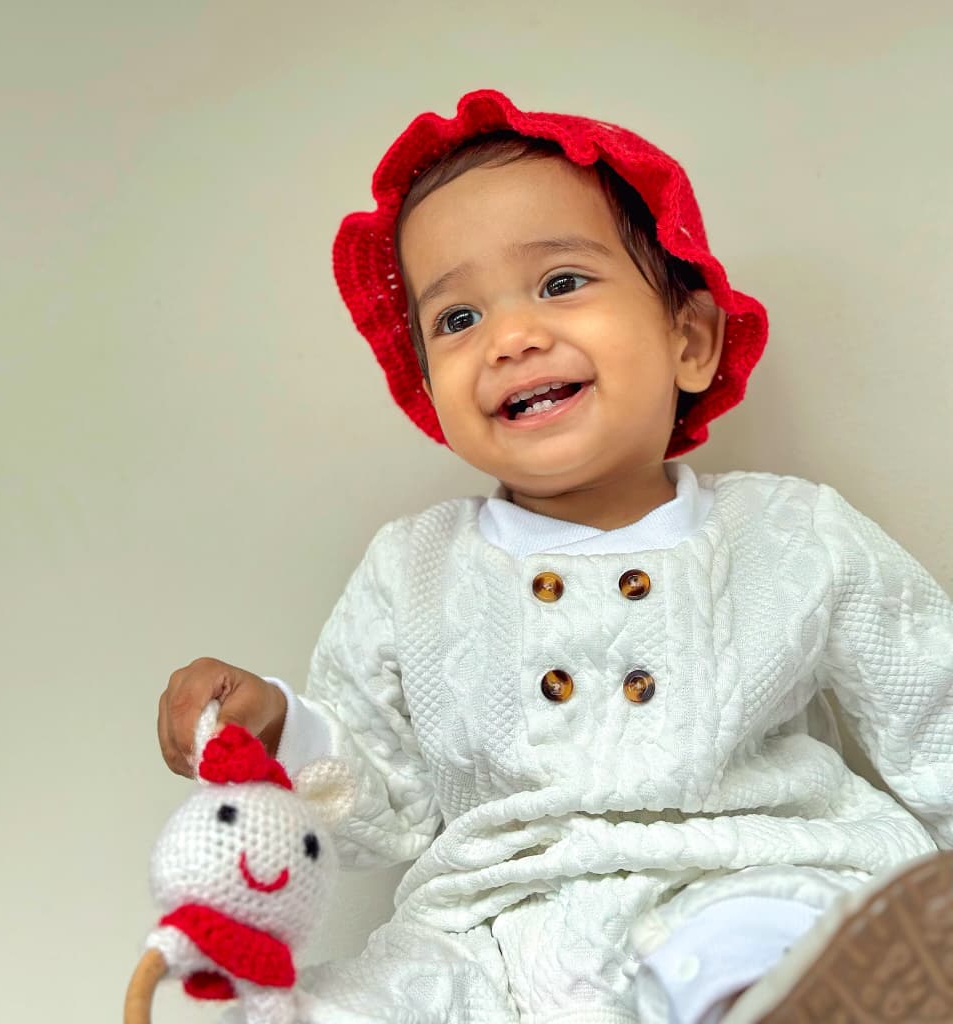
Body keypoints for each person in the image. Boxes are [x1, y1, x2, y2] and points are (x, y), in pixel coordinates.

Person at [158, 89, 953, 1023]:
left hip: (740, 873)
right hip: (494, 930)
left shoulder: (792, 533)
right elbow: (384, 806)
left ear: (690, 339)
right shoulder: (413, 568)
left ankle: (770, 1003)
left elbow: (934, 710)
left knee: (760, 941)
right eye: (457, 319)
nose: (509, 338)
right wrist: (276, 728)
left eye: (561, 282)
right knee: (359, 1002)